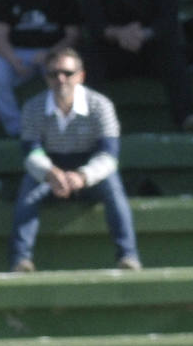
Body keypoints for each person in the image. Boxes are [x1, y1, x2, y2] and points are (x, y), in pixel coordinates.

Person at [11, 48, 140, 273]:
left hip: (91, 168)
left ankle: (128, 256)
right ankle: (21, 260)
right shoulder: (33, 107)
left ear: (81, 76)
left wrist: (83, 176)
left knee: (114, 189)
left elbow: (109, 155)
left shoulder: (101, 105)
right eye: (53, 74)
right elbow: (31, 151)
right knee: (27, 192)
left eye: (68, 73)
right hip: (50, 168)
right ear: (46, 78)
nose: (61, 79)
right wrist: (50, 173)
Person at [80, 0, 193, 132]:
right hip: (113, 49)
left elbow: (168, 18)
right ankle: (92, 121)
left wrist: (143, 34)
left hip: (151, 47)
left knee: (173, 50)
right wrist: (120, 33)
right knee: (89, 55)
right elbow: (94, 22)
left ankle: (185, 116)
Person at [0, 0, 82, 137]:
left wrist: (51, 54)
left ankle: (62, 127)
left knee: (65, 73)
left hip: (54, 52)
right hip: (17, 52)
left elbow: (73, 35)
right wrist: (13, 59)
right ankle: (18, 129)